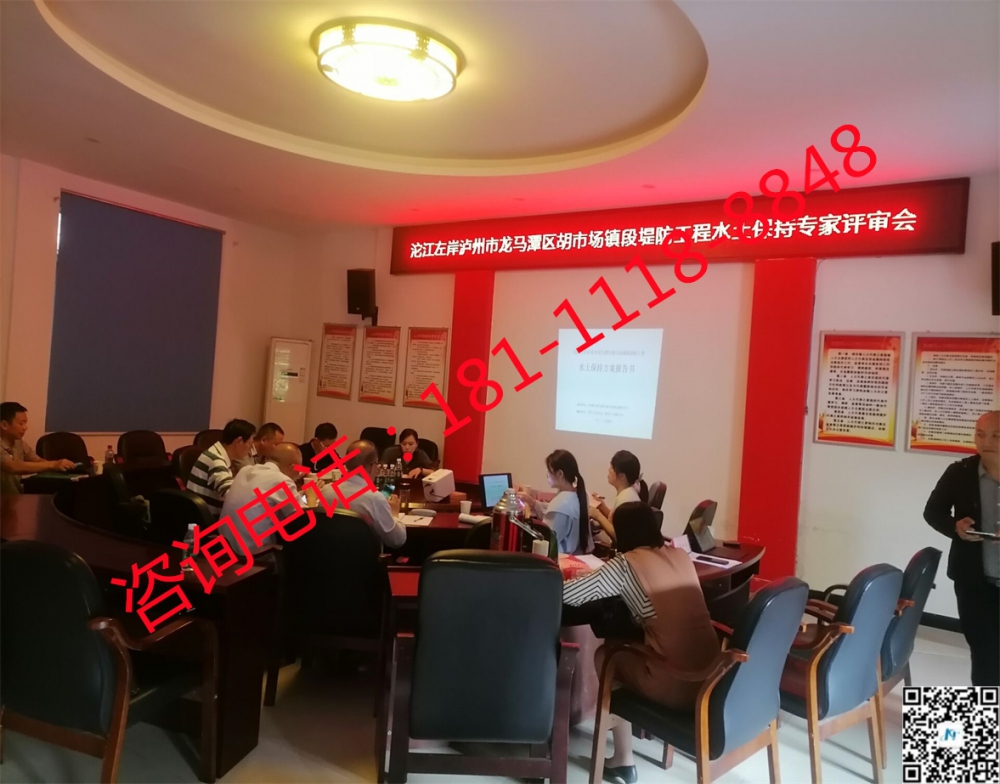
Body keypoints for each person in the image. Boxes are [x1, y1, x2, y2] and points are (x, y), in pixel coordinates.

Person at [564, 502, 720, 783]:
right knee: (623, 643)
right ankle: (624, 752)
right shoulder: (679, 555)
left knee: (607, 655)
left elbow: (571, 595)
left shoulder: (626, 564)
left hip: (674, 681)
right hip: (711, 678)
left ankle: (623, 758)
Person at [924, 410, 1000, 686]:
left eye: (996, 436)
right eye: (981, 434)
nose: (986, 442)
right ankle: (987, 709)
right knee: (984, 653)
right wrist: (955, 527)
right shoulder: (960, 472)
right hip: (974, 582)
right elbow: (933, 512)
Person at [221, 442, 306, 553]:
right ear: (292, 468)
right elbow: (303, 517)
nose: (298, 475)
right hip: (254, 553)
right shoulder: (282, 480)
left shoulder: (245, 470)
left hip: (222, 547)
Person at [320, 440, 406, 548]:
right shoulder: (375, 498)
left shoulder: (325, 491)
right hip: (364, 557)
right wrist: (394, 514)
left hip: (327, 556)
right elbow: (397, 540)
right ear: (373, 466)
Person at [517, 449, 592, 554]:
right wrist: (533, 502)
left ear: (560, 473)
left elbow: (544, 540)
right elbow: (552, 512)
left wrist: (527, 513)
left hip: (559, 557)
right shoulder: (579, 495)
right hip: (576, 555)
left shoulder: (561, 504)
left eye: (549, 471)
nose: (547, 475)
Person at [0, 402, 76, 494]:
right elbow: (12, 466)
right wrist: (53, 464)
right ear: (4, 425)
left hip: (16, 496)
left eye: (25, 423)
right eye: (21, 423)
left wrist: (62, 466)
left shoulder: (19, 442)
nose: (25, 427)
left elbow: (37, 461)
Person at [187, 418, 256, 518]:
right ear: (239, 441)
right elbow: (231, 496)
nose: (250, 448)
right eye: (249, 444)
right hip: (206, 520)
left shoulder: (217, 453)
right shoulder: (216, 460)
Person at [590, 450, 648, 542]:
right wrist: (602, 506)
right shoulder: (627, 493)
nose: (608, 470)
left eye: (612, 467)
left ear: (622, 476)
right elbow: (617, 521)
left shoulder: (626, 499)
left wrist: (597, 515)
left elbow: (619, 535)